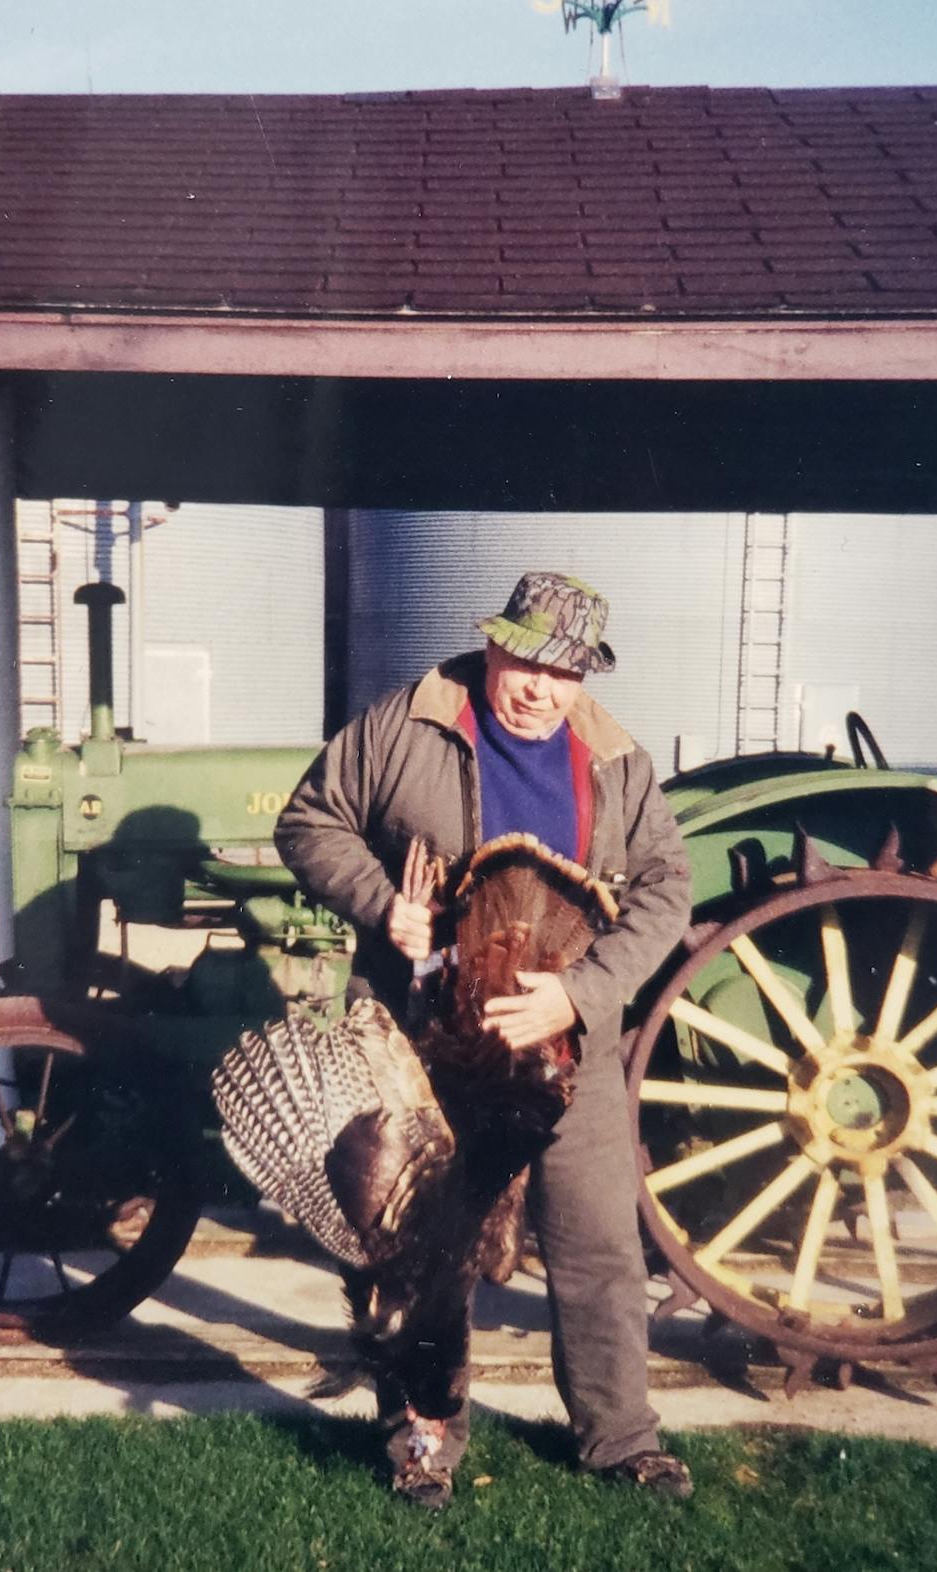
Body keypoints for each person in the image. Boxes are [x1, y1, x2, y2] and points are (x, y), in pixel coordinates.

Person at [275, 571, 695, 1508]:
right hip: (425, 1048)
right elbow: (308, 821)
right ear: (494, 645)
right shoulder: (410, 723)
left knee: (595, 1245)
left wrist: (580, 996)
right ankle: (423, 1441)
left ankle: (620, 1438)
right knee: (423, 1251)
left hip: (563, 1048)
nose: (541, 688)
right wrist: (385, 906)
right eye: (527, 662)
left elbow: (669, 888)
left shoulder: (614, 758)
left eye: (565, 672)